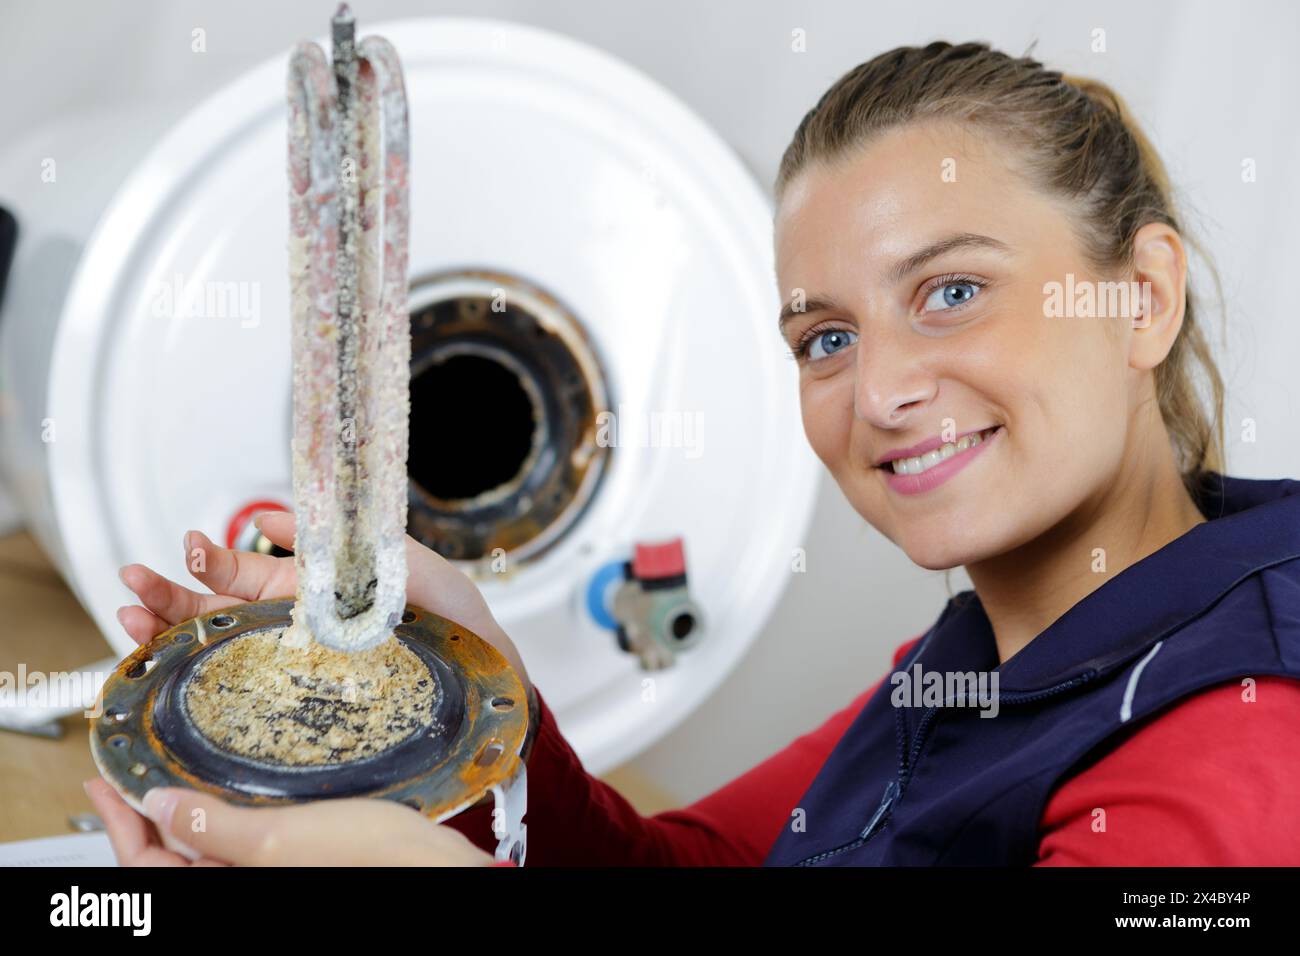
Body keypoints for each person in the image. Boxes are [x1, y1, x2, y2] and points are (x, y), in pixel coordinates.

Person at [88, 41, 1300, 866]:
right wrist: (465, 692)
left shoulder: (1241, 734)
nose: (877, 388)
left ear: (1141, 298)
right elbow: (702, 868)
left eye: (951, 290)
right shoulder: (986, 659)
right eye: (824, 335)